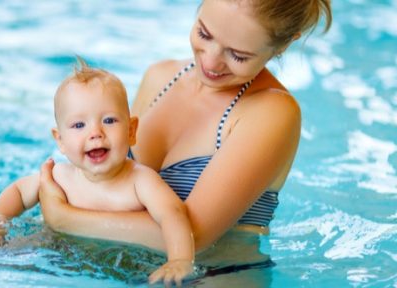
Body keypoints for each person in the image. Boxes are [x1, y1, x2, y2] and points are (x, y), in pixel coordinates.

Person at [37, 0, 332, 256]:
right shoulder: (159, 77)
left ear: (283, 45)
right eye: (204, 33)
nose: (211, 61)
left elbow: (194, 236)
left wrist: (64, 218)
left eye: (238, 55)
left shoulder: (271, 113)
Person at [0, 58, 195, 285]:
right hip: (53, 252)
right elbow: (18, 191)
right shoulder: (60, 177)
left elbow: (173, 214)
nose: (95, 133)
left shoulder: (141, 181)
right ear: (61, 140)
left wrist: (180, 260)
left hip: (120, 267)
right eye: (79, 125)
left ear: (131, 130)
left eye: (109, 120)